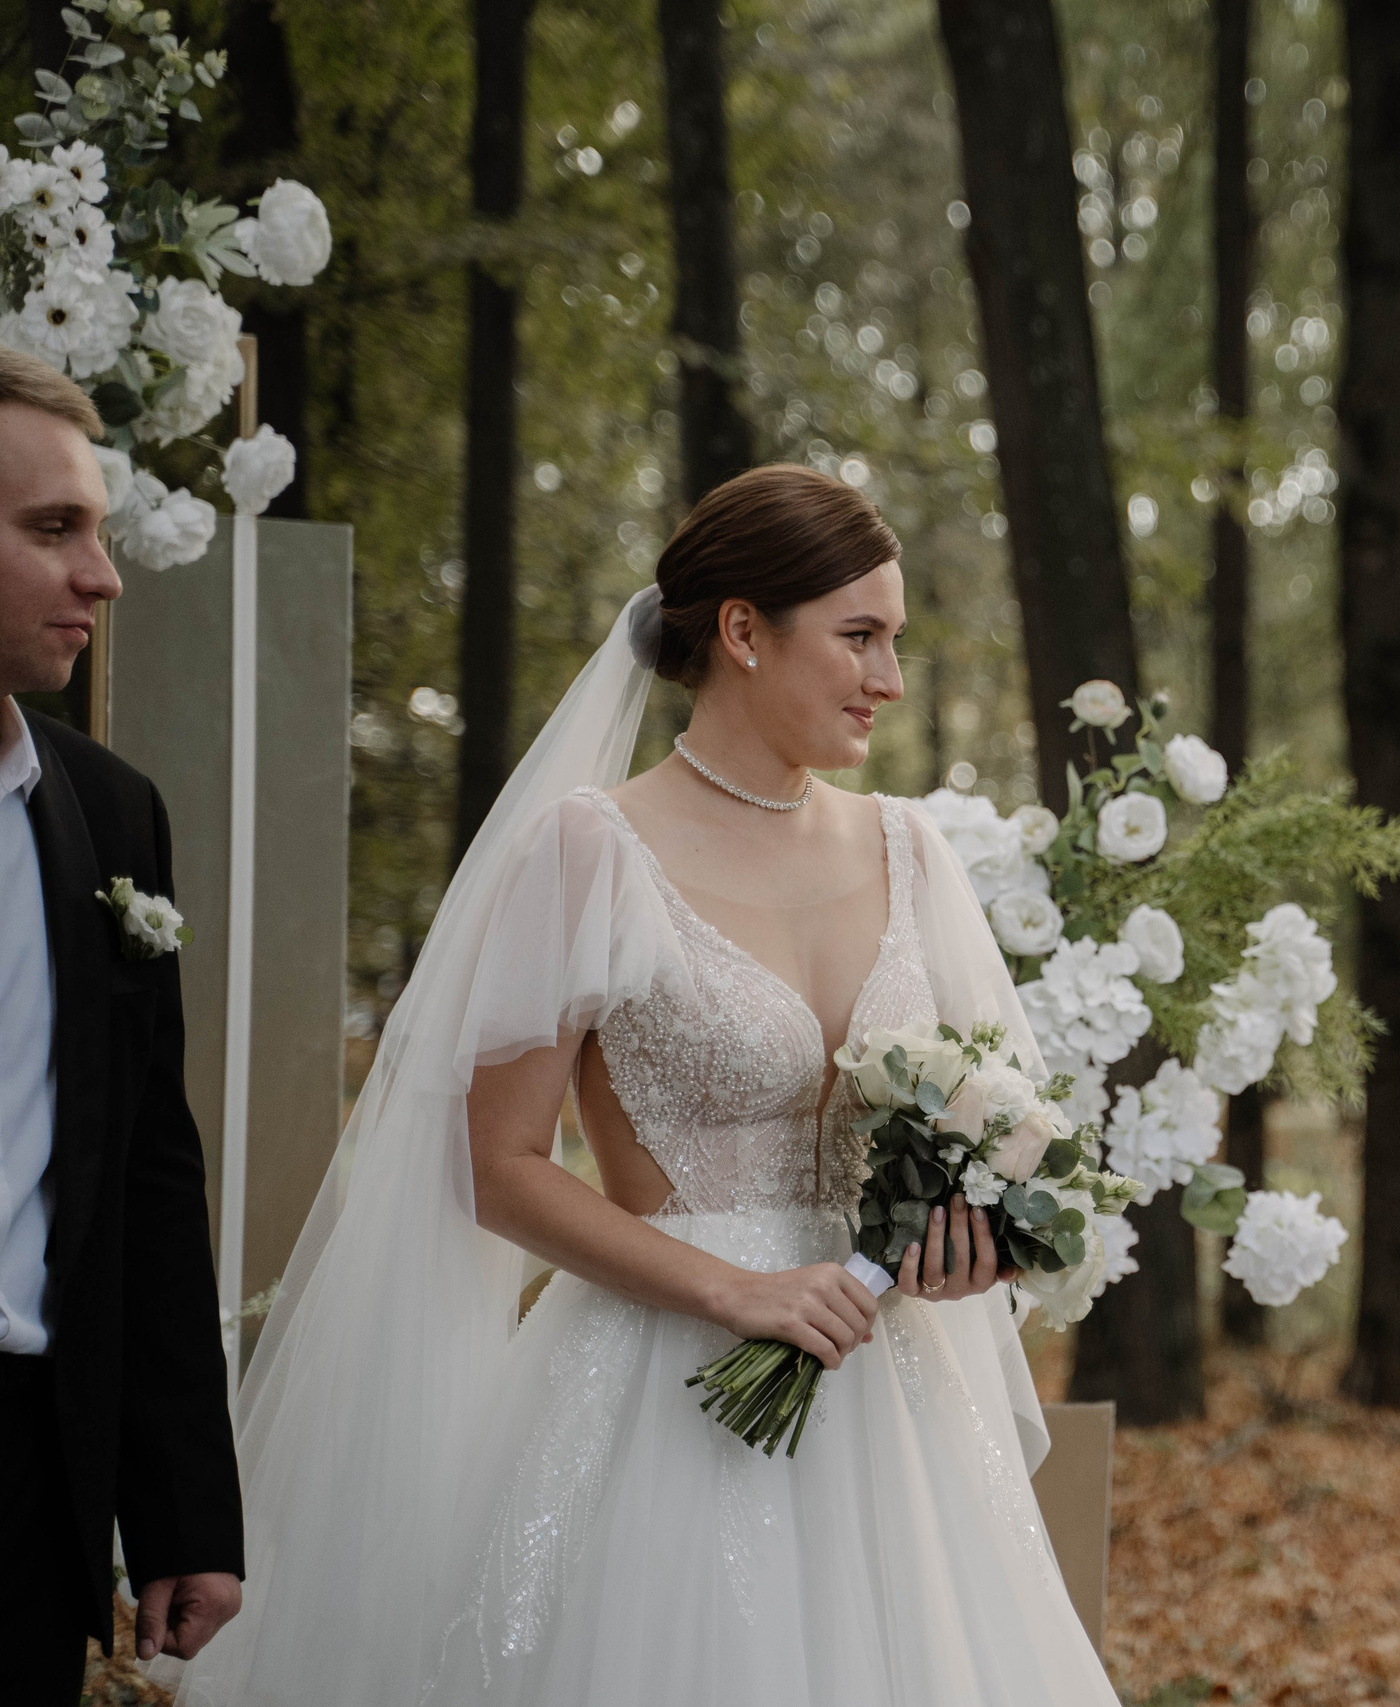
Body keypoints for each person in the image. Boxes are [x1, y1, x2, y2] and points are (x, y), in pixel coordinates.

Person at [179, 465, 1117, 1703]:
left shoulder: (913, 850)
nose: (888, 677)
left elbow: (994, 1123)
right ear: (740, 631)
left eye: (894, 640)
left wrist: (969, 1240)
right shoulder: (588, 852)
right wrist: (733, 1290)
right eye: (859, 637)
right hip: (665, 1384)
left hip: (895, 1391)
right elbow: (497, 1167)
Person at [0, 350, 245, 1698]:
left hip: (34, 1484)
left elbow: (150, 1168)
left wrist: (181, 1507)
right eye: (53, 530)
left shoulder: (109, 812)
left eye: (96, 527)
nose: (104, 574)